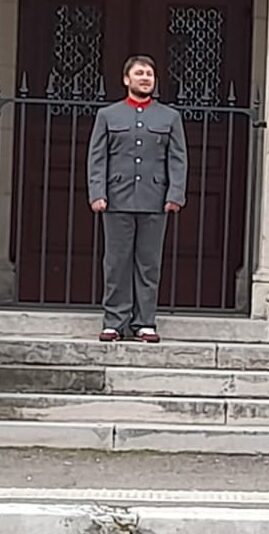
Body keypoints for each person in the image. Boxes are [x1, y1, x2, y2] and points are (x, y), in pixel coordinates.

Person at [87, 54, 187, 343]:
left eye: (150, 74)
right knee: (116, 261)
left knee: (148, 262)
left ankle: (145, 321)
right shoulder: (108, 115)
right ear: (126, 79)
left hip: (155, 199)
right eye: (140, 73)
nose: (145, 78)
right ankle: (114, 321)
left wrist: (175, 194)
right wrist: (98, 193)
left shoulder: (169, 117)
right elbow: (98, 158)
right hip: (116, 198)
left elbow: (177, 159)